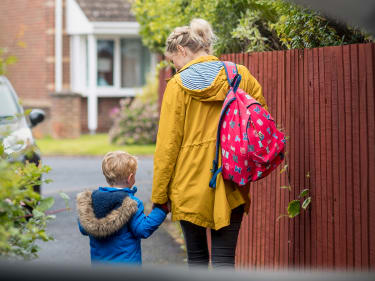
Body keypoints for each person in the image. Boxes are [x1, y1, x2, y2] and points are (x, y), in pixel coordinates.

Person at [151, 18, 268, 269]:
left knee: (197, 260)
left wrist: (160, 196)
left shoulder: (177, 86)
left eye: (174, 62)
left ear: (182, 51)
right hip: (231, 180)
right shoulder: (240, 75)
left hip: (188, 183)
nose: (175, 69)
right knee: (226, 260)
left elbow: (167, 146)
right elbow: (261, 121)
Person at [77, 151, 169, 265]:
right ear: (130, 178)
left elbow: (84, 228)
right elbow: (143, 230)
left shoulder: (92, 200)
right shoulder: (131, 204)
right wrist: (161, 211)